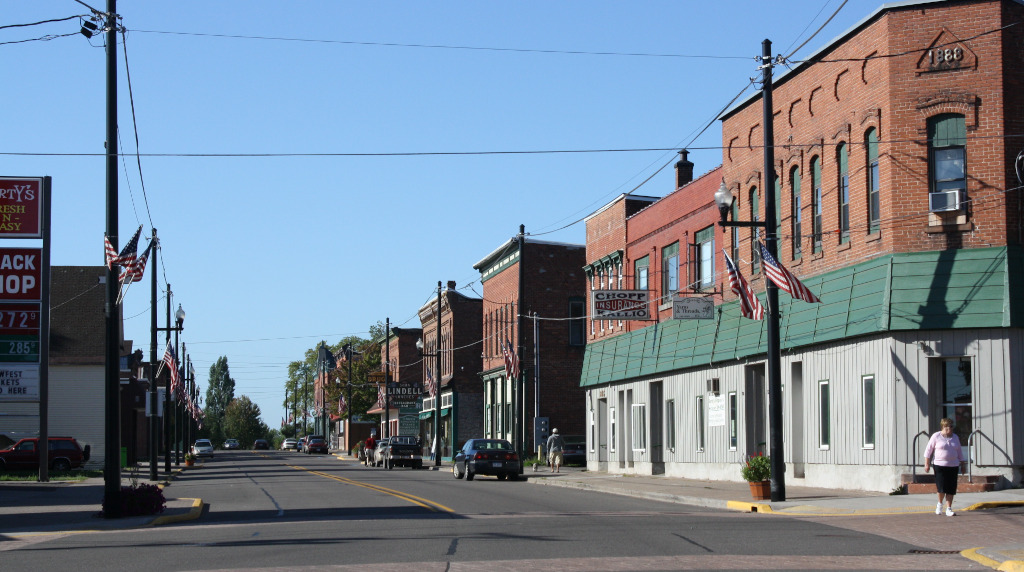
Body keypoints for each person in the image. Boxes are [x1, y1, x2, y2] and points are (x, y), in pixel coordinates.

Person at [923, 417, 966, 516]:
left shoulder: (955, 437)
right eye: (948, 427)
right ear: (943, 427)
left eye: (951, 427)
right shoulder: (936, 436)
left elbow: (959, 452)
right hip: (939, 465)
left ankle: (949, 508)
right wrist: (927, 464)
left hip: (953, 465)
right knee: (941, 487)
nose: (950, 429)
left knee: (951, 487)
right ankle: (939, 504)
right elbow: (928, 450)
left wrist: (962, 464)